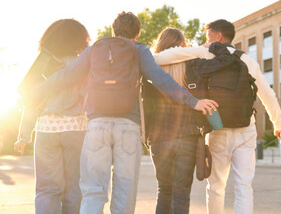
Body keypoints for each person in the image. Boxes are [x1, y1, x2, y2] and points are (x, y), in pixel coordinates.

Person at [30, 12, 217, 214]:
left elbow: (65, 76)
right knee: (124, 194)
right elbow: (160, 79)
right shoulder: (138, 49)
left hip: (96, 127)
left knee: (93, 192)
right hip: (128, 127)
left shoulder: (94, 50)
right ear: (136, 34)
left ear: (114, 30)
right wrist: (193, 102)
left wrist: (31, 94)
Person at [153, 19, 281, 214]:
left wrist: (200, 49)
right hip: (245, 129)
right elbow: (268, 95)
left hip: (217, 127)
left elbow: (158, 58)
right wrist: (278, 124)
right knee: (244, 187)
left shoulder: (205, 53)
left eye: (208, 36)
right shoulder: (247, 60)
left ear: (218, 36)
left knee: (215, 187)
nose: (206, 40)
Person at [145, 28, 236, 214]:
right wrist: (213, 46)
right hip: (188, 137)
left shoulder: (151, 69)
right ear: (183, 46)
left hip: (159, 138)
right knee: (181, 193)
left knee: (164, 190)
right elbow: (227, 60)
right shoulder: (194, 66)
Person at [14, 19, 91, 214]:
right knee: (74, 189)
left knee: (47, 188)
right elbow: (88, 98)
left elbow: (31, 101)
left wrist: (23, 135)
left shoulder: (43, 63)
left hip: (46, 129)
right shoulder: (81, 63)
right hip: (76, 130)